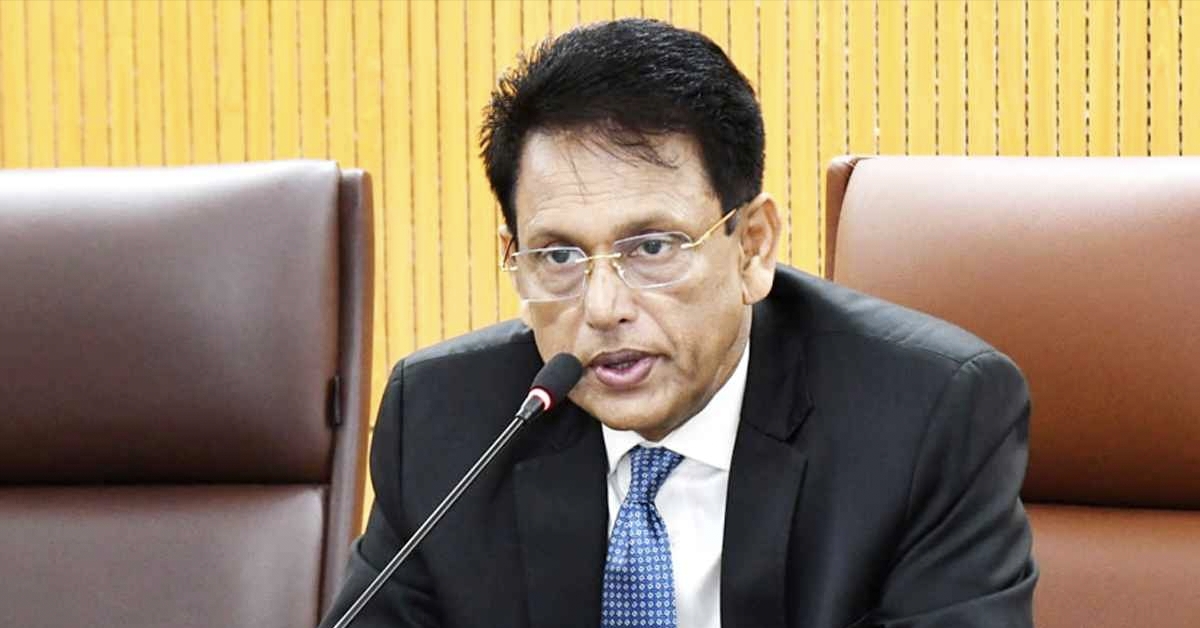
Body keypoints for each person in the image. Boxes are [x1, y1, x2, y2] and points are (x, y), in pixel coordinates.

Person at [320, 18, 1036, 628]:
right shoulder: (448, 423)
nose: (603, 308)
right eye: (559, 255)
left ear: (752, 247)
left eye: (652, 247)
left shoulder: (925, 420)